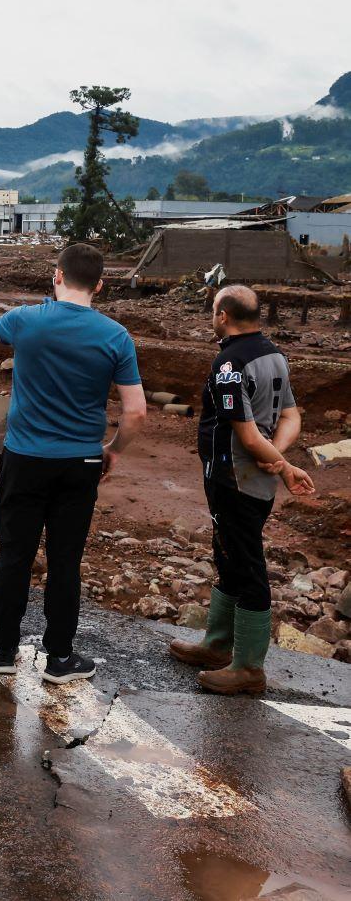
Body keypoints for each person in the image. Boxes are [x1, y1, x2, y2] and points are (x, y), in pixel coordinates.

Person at [0, 243, 147, 684]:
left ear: (56, 276)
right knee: (65, 559)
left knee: (14, 554)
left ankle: (4, 651)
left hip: (24, 457)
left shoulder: (26, 320)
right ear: (101, 285)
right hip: (81, 460)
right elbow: (136, 413)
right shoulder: (115, 336)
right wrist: (113, 449)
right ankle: (59, 659)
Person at [169, 285, 314, 695]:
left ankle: (249, 668)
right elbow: (291, 415)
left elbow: (248, 436)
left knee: (246, 562)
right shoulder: (274, 355)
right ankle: (217, 646)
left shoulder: (229, 364)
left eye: (214, 309)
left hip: (234, 479)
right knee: (228, 553)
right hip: (257, 478)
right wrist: (278, 456)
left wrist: (278, 463)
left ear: (223, 315)